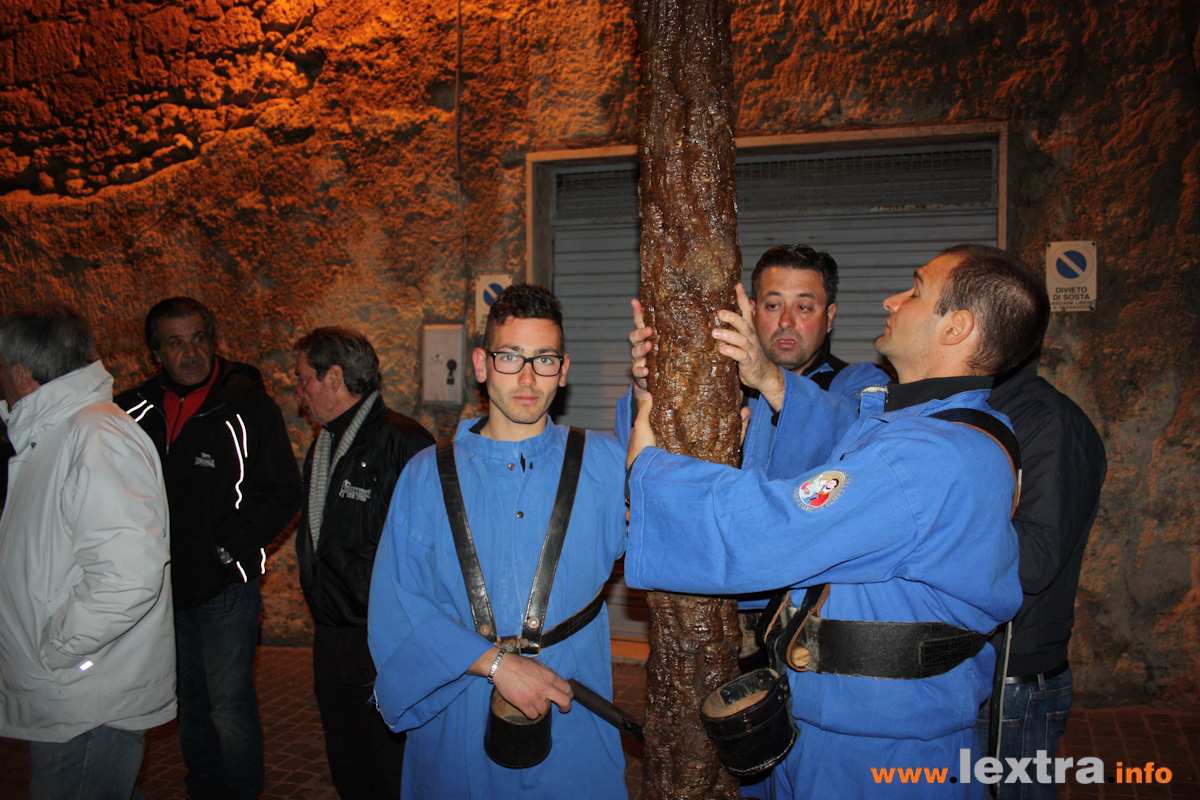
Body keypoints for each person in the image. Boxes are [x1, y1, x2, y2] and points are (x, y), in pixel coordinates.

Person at [625, 244, 1049, 798]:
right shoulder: (942, 427)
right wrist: (719, 380)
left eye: (916, 290)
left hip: (877, 751)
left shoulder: (926, 457)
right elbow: (844, 440)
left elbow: (773, 528)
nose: (892, 300)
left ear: (957, 327)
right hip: (855, 721)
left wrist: (649, 471)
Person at [368, 284, 628, 798]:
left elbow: (678, 530)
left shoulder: (603, 463)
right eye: (510, 357)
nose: (528, 378)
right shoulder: (425, 475)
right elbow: (397, 604)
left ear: (564, 370)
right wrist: (495, 664)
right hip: (459, 710)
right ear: (482, 365)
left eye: (544, 359)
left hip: (572, 711)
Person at [116, 297, 302, 799]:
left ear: (213, 340)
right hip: (159, 588)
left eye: (199, 338)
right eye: (176, 343)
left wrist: (229, 549)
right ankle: (203, 787)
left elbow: (283, 490)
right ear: (156, 353)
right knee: (188, 702)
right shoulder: (132, 410)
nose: (191, 352)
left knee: (228, 706)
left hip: (225, 589)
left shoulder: (246, 405)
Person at [0, 305, 174, 800]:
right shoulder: (57, 436)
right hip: (69, 692)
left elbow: (129, 576)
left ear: (21, 373)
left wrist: (56, 650)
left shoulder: (95, 437)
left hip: (84, 694)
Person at [294, 327, 433, 798]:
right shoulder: (326, 445)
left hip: (381, 641)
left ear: (333, 378)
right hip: (333, 636)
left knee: (387, 765)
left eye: (303, 380)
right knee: (347, 758)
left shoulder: (404, 442)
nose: (299, 394)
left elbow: (428, 552)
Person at [973, 354, 1106, 794]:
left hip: (1012, 683)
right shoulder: (973, 410)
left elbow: (1034, 562)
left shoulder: (1048, 422)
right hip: (970, 673)